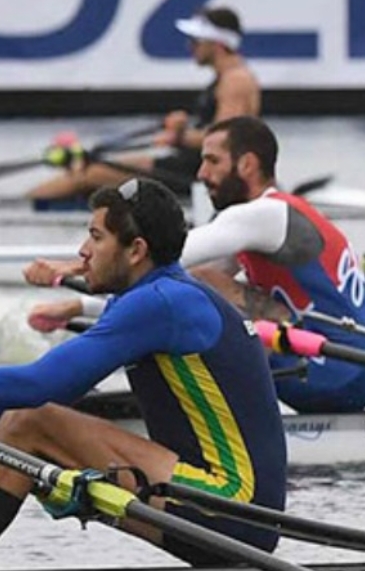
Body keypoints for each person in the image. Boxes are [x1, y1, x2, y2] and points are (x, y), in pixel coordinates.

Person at [0, 178, 286, 571]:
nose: (81, 252)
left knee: (33, 422)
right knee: (26, 427)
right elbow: (60, 394)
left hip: (232, 505)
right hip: (223, 506)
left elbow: (39, 387)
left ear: (135, 250)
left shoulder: (161, 303)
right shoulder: (156, 294)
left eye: (95, 236)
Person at [26, 116, 365, 414]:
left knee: (199, 287)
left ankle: (138, 407)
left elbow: (166, 254)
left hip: (338, 371)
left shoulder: (265, 214)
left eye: (212, 161)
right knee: (188, 289)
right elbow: (164, 281)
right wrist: (76, 308)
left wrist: (71, 267)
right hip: (338, 373)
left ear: (246, 164)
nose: (201, 174)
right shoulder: (261, 221)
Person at [28, 7, 260, 200]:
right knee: (93, 169)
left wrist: (180, 136)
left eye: (196, 41)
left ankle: (25, 205)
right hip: (188, 164)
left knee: (89, 174)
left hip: (198, 173)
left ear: (217, 44)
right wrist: (179, 134)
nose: (190, 46)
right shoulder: (229, 77)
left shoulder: (235, 81)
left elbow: (228, 142)